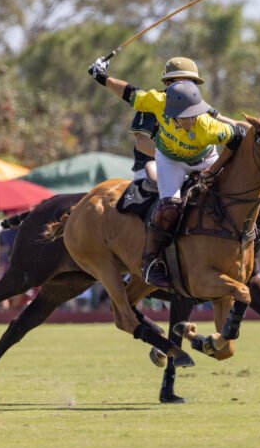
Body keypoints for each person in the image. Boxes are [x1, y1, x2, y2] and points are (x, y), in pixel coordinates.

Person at [88, 55, 246, 287]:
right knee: (169, 207)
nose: (182, 87)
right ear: (166, 85)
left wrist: (215, 169)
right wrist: (102, 77)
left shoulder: (207, 123)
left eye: (188, 82)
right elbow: (129, 93)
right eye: (175, 82)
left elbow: (238, 137)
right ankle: (151, 261)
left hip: (204, 159)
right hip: (169, 161)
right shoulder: (156, 102)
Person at [129, 57, 207, 183]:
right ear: (167, 83)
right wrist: (178, 159)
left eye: (190, 82)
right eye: (180, 82)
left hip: (192, 171)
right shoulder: (151, 103)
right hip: (151, 171)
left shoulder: (201, 109)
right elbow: (141, 143)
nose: (185, 87)